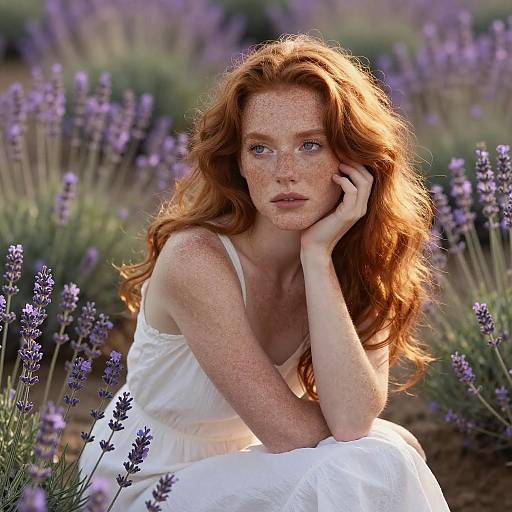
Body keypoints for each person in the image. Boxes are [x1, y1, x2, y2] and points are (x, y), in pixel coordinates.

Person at [79, 34, 451, 511]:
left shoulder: (357, 261)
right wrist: (377, 436)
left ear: (353, 160)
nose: (284, 172)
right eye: (261, 149)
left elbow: (351, 418)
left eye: (310, 145)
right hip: (146, 483)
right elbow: (292, 433)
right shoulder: (196, 259)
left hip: (260, 471)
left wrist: (317, 259)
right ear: (238, 162)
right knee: (378, 458)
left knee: (376, 458)